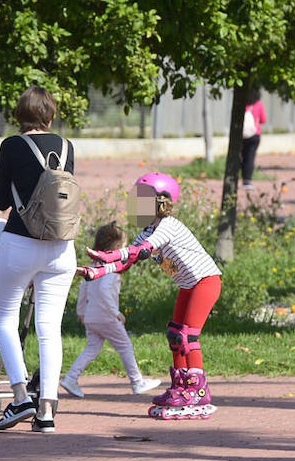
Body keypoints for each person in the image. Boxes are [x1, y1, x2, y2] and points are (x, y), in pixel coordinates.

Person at [78, 172, 222, 420]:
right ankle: (180, 387)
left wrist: (106, 256)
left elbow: (142, 251)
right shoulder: (147, 231)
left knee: (187, 335)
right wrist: (97, 271)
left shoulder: (169, 226)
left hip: (205, 281)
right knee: (175, 333)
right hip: (188, 285)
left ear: (160, 202)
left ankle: (197, 390)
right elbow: (129, 259)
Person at [0, 85, 77, 434]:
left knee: (3, 318)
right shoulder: (68, 147)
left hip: (20, 243)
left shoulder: (11, 145)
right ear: (51, 114)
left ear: (19, 115)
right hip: (61, 247)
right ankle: (46, 410)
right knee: (49, 328)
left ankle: (20, 395)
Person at [59, 221, 163, 400]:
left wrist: (81, 312)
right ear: (114, 248)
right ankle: (137, 382)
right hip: (106, 317)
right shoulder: (112, 270)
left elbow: (83, 290)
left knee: (91, 349)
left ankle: (70, 379)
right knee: (125, 346)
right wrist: (115, 312)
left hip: (91, 316)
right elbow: (104, 290)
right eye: (122, 247)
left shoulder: (92, 267)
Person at [241, 93, 268, 189]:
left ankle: (235, 177)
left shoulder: (240, 103)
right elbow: (263, 120)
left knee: (241, 157)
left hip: (241, 134)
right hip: (254, 134)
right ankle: (247, 181)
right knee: (250, 157)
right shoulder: (258, 104)